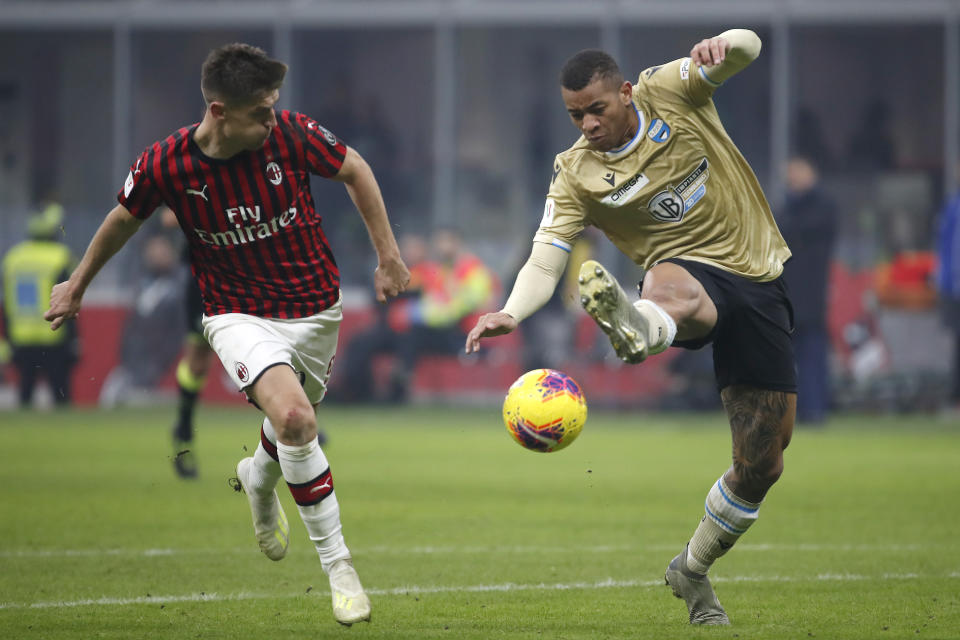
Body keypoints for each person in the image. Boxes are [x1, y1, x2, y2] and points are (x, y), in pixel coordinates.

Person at [45, 43, 409, 626]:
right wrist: (78, 283)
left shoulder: (292, 135)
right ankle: (340, 568)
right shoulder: (165, 164)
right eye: (260, 112)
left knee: (291, 425)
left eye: (273, 108)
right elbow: (122, 220)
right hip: (235, 313)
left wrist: (388, 257)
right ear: (219, 111)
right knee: (296, 420)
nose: (272, 119)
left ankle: (257, 481)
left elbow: (356, 169)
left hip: (317, 309)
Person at [466, 31, 795, 626]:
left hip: (758, 273)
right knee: (676, 291)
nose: (587, 124)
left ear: (624, 92)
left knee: (763, 464)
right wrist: (511, 311)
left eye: (597, 108)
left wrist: (728, 43)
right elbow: (547, 255)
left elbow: (749, 50)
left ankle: (691, 570)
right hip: (680, 270)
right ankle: (636, 327)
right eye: (575, 115)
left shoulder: (669, 90)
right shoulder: (575, 173)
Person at [1, 201, 78, 407]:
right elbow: (69, 300)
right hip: (54, 335)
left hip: (21, 337)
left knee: (25, 396)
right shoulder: (60, 257)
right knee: (61, 397)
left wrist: (8, 337)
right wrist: (74, 337)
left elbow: (7, 304)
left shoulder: (12, 258)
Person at [778, 156, 837, 425]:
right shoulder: (786, 207)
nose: (793, 176)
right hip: (786, 295)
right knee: (785, 359)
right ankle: (791, 411)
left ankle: (815, 409)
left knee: (813, 355)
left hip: (811, 296)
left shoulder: (822, 207)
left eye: (798, 170)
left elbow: (790, 232)